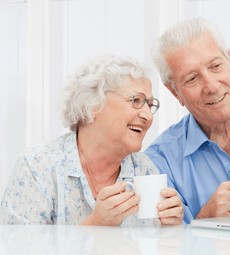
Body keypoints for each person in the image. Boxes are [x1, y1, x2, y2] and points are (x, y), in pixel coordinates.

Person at [0, 55, 184, 226]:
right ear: (92, 105)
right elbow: (17, 253)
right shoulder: (38, 166)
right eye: (136, 100)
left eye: (150, 105)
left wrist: (170, 231)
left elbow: (153, 254)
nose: (148, 116)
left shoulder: (144, 169)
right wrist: (94, 226)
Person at [145, 17, 230, 224]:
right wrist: (205, 220)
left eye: (215, 66)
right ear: (174, 92)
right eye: (192, 78)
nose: (212, 86)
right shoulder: (157, 163)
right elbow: (160, 251)